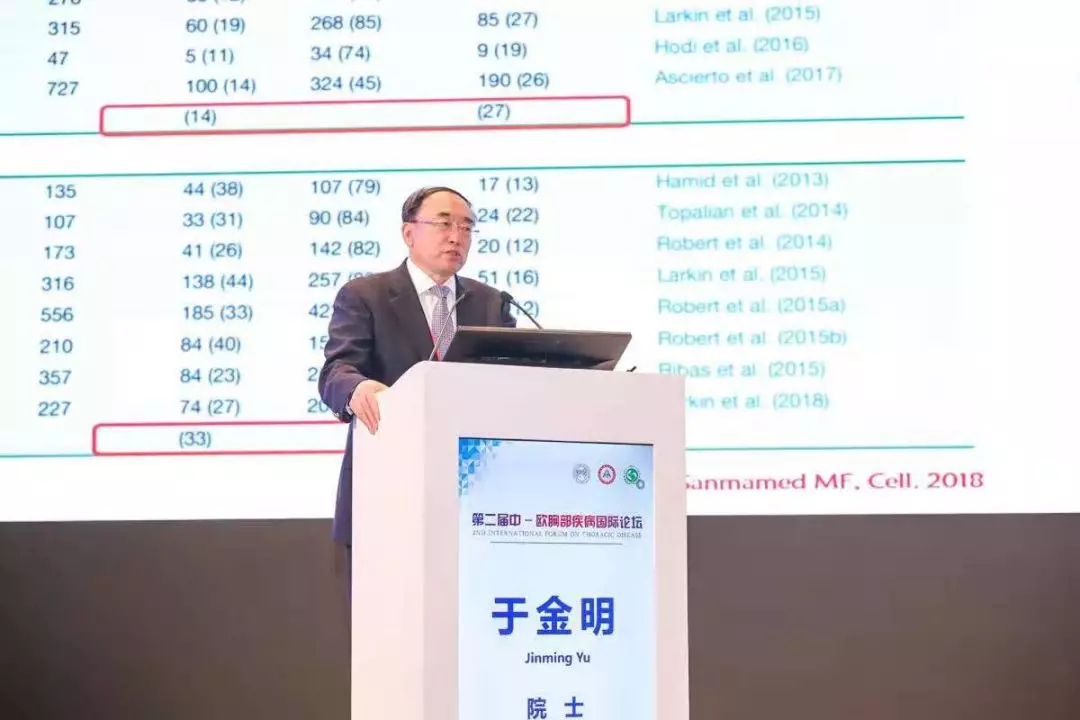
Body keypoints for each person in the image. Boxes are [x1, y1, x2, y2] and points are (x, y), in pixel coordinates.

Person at [318, 186, 517, 558]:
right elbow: (336, 370)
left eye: (466, 227)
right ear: (409, 233)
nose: (456, 237)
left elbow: (514, 379)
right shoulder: (366, 295)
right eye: (444, 224)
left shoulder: (491, 303)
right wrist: (356, 388)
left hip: (476, 493)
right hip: (389, 487)